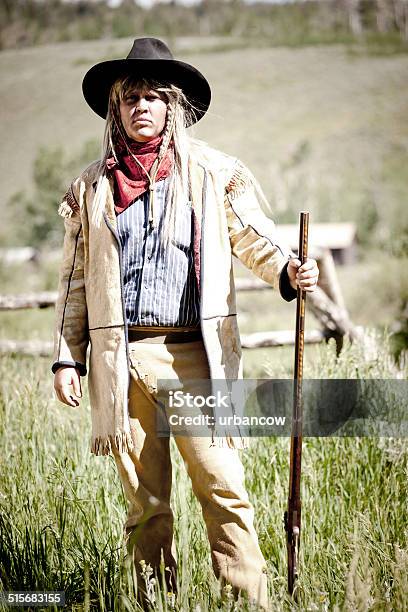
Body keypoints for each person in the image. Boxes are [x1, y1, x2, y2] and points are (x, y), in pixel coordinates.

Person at [52, 37, 319, 609]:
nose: (141, 107)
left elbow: (253, 236)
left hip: (194, 356)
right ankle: (157, 602)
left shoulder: (211, 173)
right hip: (119, 362)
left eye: (153, 97)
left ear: (172, 106)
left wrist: (289, 268)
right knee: (145, 504)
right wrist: (66, 358)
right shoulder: (93, 188)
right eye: (131, 100)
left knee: (222, 486)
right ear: (116, 110)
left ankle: (249, 599)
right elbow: (75, 281)